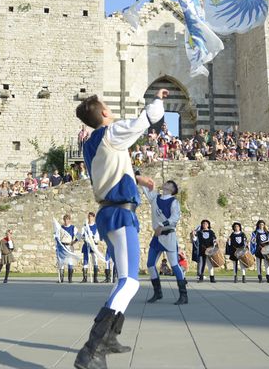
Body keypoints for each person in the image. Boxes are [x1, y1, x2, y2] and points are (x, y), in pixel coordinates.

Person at [73, 88, 167, 369]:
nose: (110, 109)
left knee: (123, 279)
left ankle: (111, 337)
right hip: (120, 214)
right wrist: (159, 100)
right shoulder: (110, 133)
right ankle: (92, 348)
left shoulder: (91, 144)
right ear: (103, 113)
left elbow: (109, 167)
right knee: (130, 281)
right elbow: (146, 119)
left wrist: (137, 177)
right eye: (107, 106)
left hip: (107, 212)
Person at [144, 180, 187, 304]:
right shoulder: (155, 198)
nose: (166, 184)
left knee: (174, 265)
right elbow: (146, 188)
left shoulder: (174, 202)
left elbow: (175, 217)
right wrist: (137, 175)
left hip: (168, 235)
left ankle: (183, 295)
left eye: (169, 184)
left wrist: (162, 225)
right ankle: (158, 293)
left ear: (172, 189)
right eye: (166, 183)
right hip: (157, 236)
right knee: (150, 264)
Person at [81, 212, 102, 283]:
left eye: (91, 216)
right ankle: (85, 278)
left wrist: (93, 238)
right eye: (89, 216)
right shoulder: (85, 226)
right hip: (86, 245)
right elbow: (82, 235)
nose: (90, 218)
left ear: (93, 217)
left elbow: (97, 236)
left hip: (93, 245)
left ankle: (95, 278)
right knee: (85, 260)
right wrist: (85, 237)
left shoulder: (96, 226)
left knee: (95, 260)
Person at [56, 214, 78, 283]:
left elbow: (79, 236)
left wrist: (74, 242)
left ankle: (70, 279)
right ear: (63, 220)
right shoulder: (60, 228)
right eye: (65, 220)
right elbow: (57, 236)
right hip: (62, 246)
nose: (66, 221)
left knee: (70, 262)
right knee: (61, 262)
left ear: (69, 220)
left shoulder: (73, 228)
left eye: (67, 219)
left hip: (69, 246)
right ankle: (61, 279)